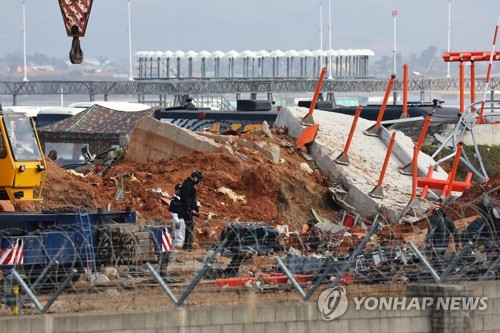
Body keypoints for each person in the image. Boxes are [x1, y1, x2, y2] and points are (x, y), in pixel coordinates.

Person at [180, 170, 204, 251]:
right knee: (188, 226)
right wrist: (189, 208)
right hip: (185, 209)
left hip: (189, 209)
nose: (199, 182)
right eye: (198, 180)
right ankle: (186, 245)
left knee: (190, 226)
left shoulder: (191, 185)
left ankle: (188, 244)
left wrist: (195, 208)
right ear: (195, 177)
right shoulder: (187, 184)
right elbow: (186, 198)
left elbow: (192, 199)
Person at [169, 184, 186, 248]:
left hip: (183, 218)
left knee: (183, 233)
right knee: (178, 234)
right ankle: (178, 246)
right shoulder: (174, 200)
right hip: (177, 219)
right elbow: (173, 212)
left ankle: (181, 245)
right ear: (176, 190)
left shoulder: (182, 199)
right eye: (179, 190)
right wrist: (177, 221)